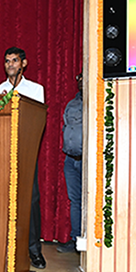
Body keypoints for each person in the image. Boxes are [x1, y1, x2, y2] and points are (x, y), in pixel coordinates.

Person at [0, 46, 46, 269]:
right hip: (1, 152)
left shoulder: (35, 89)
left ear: (23, 63)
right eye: (6, 61)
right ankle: (1, 250)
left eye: (14, 61)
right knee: (1, 201)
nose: (10, 64)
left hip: (25, 151)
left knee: (30, 201)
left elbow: (36, 119)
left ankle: (34, 252)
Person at [58, 73, 83, 253]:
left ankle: (89, 241)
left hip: (87, 159)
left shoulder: (98, 100)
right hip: (70, 159)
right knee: (75, 200)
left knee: (87, 201)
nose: (81, 82)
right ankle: (76, 240)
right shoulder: (72, 104)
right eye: (79, 79)